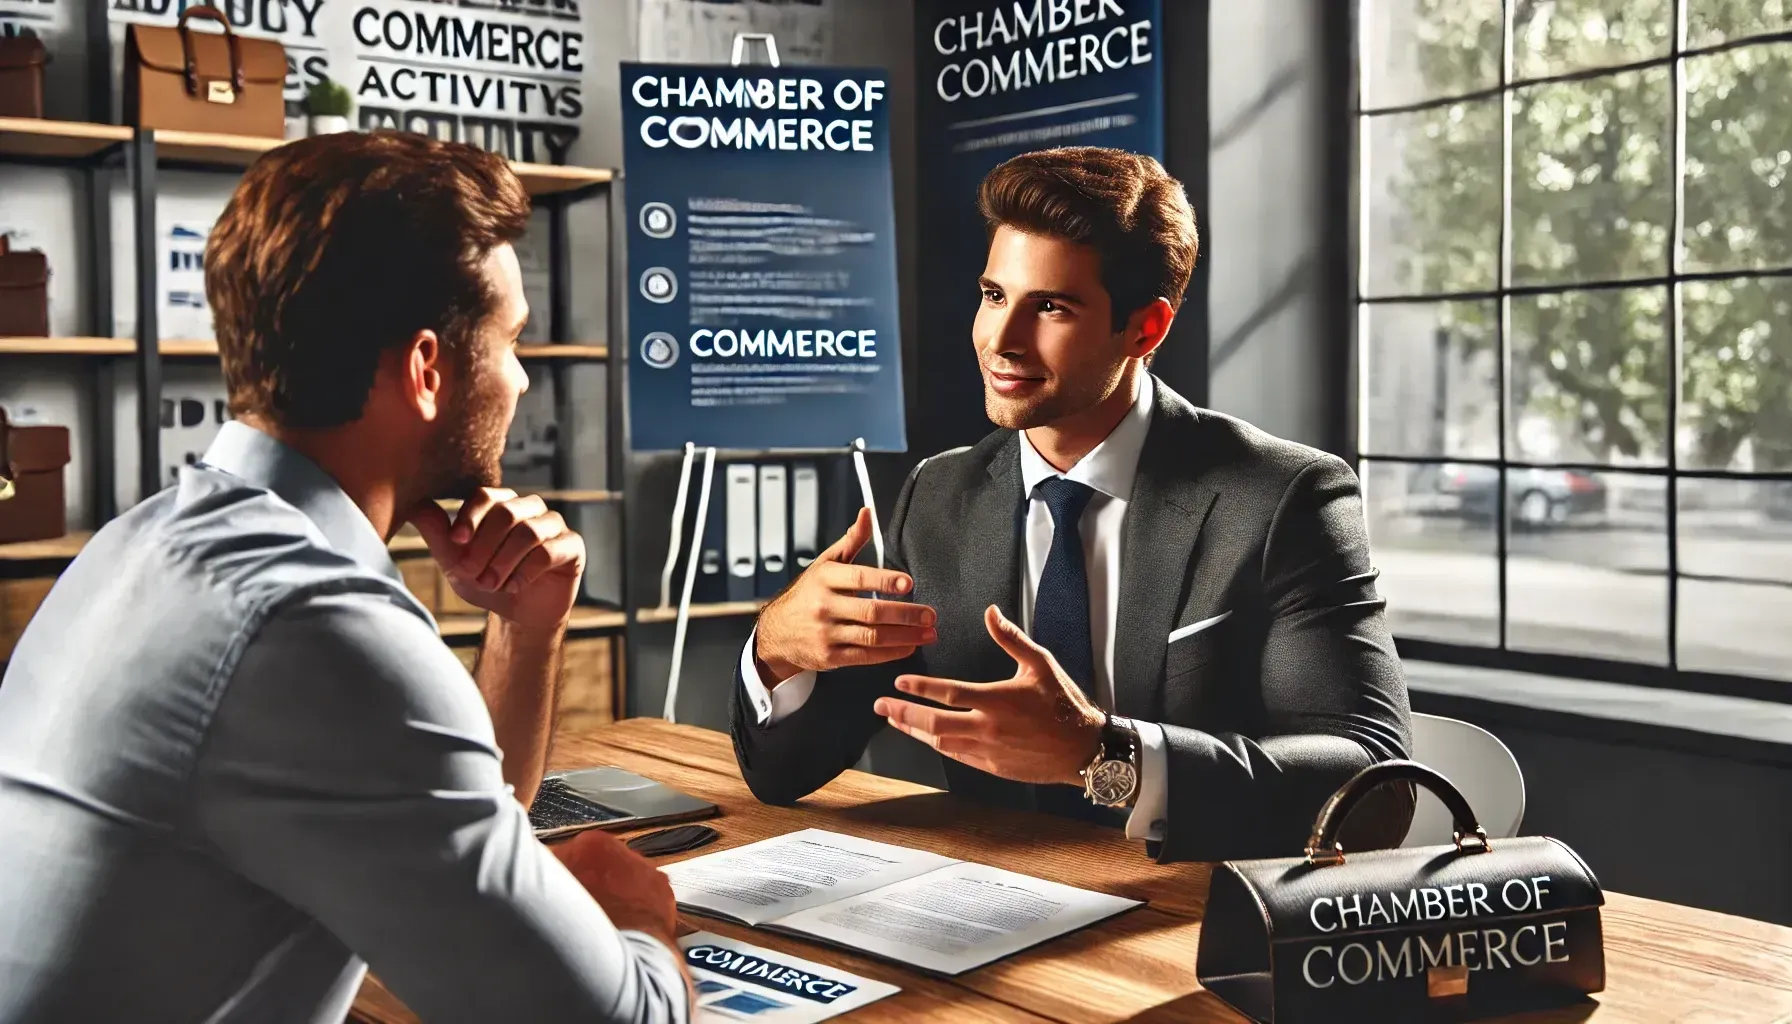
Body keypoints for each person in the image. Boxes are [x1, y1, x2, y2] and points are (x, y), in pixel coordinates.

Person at [0, 132, 690, 1023]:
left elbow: (451, 827)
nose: (521, 379)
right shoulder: (312, 626)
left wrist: (527, 624)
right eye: (512, 341)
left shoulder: (136, 547)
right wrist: (641, 923)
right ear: (427, 369)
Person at [732, 146, 1414, 864]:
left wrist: (1104, 753)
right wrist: (777, 648)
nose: (1000, 342)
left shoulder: (1283, 499)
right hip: (994, 915)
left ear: (1145, 330)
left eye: (1049, 307)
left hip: (1196, 920)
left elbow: (1372, 787)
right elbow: (784, 774)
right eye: (994, 296)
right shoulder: (937, 498)